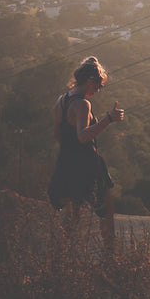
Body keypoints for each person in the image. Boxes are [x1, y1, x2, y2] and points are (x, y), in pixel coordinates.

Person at [47, 57, 125, 256]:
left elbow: (57, 134)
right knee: (106, 212)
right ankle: (110, 258)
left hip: (65, 161)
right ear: (90, 81)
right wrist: (108, 119)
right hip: (86, 163)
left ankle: (59, 259)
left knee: (71, 216)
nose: (99, 90)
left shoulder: (61, 100)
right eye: (99, 85)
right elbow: (83, 136)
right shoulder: (82, 105)